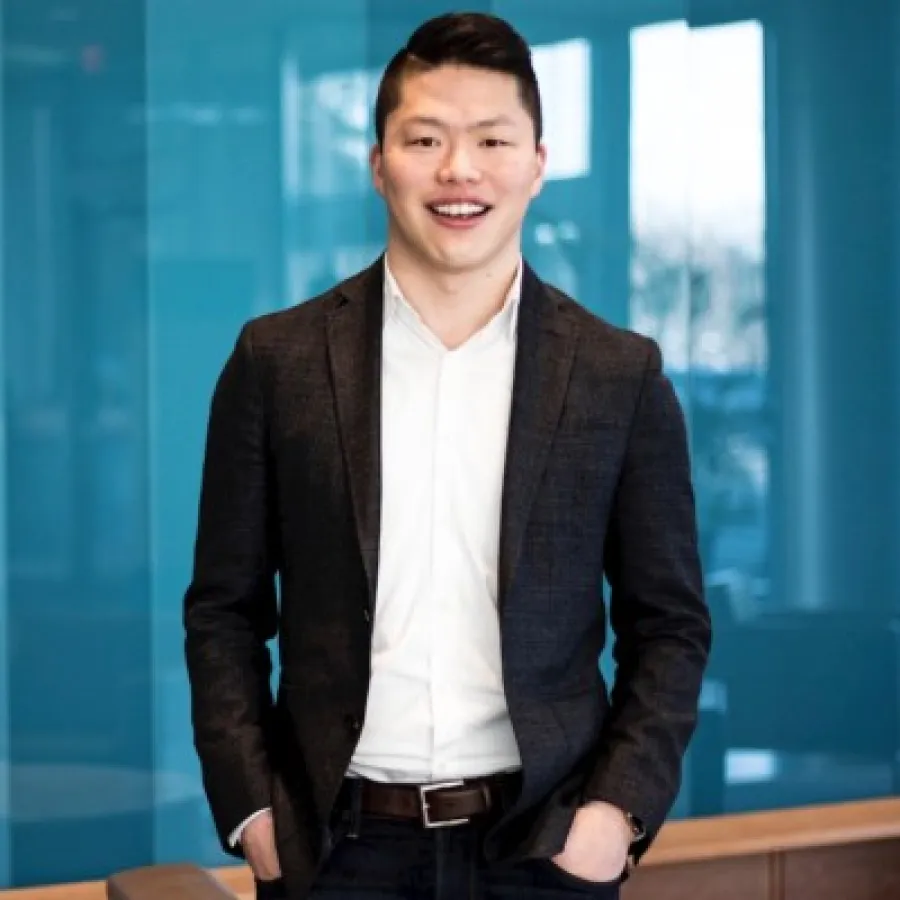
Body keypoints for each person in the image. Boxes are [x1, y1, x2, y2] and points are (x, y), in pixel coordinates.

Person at [184, 12, 711, 900]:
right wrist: (255, 815)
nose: (459, 170)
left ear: (537, 164)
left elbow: (670, 625)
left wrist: (613, 817)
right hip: (335, 852)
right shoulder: (276, 362)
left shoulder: (618, 375)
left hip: (542, 850)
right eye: (424, 138)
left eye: (492, 139)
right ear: (379, 163)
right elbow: (224, 612)